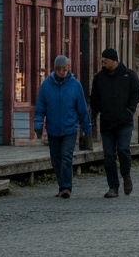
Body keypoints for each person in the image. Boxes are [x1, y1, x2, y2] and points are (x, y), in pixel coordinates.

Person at [34, 55, 91, 199]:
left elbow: (82, 109)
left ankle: (66, 187)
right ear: (55, 69)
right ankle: (61, 185)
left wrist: (86, 127)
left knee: (66, 156)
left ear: (68, 68)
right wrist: (38, 124)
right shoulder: (46, 85)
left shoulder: (75, 85)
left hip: (70, 128)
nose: (62, 72)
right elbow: (40, 107)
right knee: (56, 159)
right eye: (59, 69)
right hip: (53, 128)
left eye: (64, 69)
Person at [89, 47, 139, 198]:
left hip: (124, 122)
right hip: (107, 123)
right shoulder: (99, 78)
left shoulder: (128, 75)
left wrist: (129, 110)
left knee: (124, 149)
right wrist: (97, 112)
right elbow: (94, 97)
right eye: (102, 61)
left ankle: (126, 176)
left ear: (114, 60)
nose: (103, 63)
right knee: (109, 155)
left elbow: (137, 93)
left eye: (105, 60)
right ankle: (113, 186)